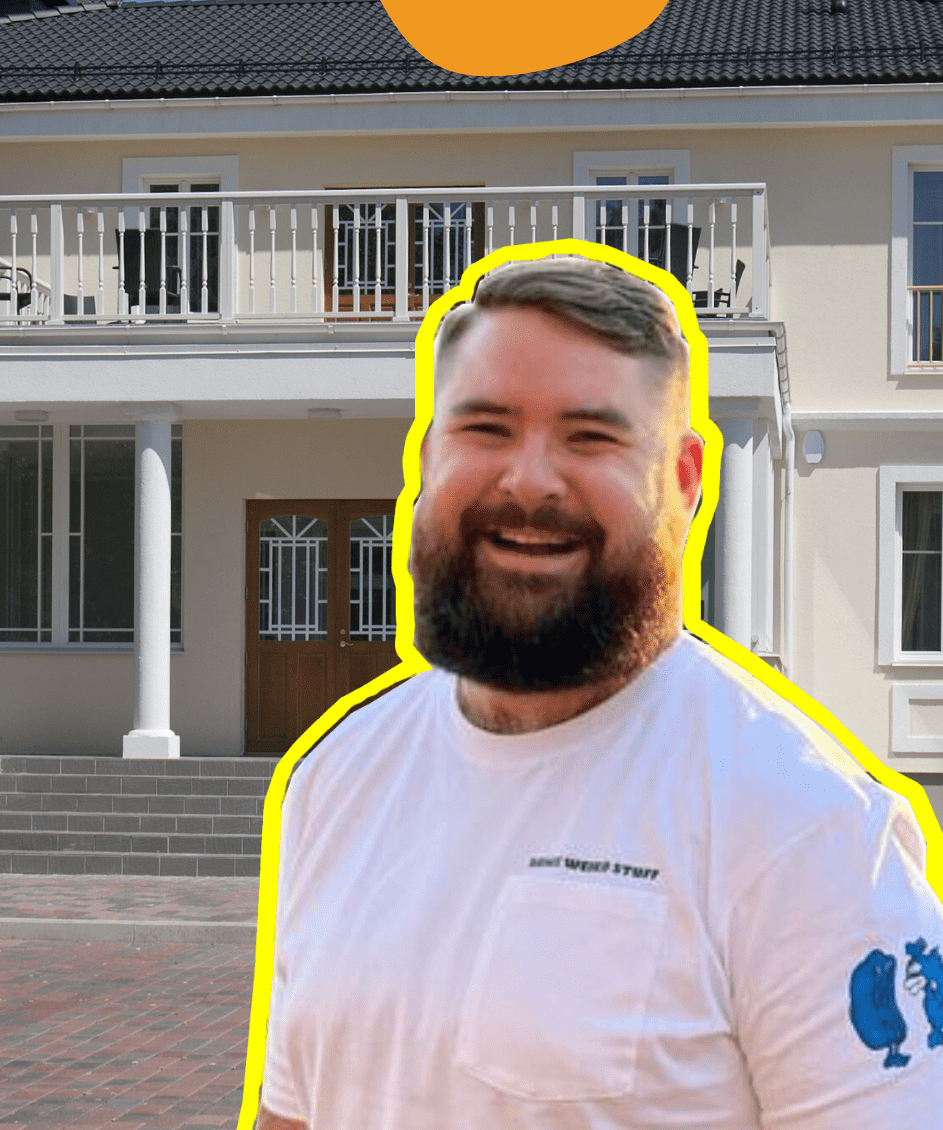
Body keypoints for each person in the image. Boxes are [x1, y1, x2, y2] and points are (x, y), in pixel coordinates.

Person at [256, 253, 943, 1130]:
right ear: (428, 458)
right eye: (487, 428)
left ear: (685, 483)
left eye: (592, 437)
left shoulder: (807, 829)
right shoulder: (339, 777)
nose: (530, 480)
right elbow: (296, 1110)